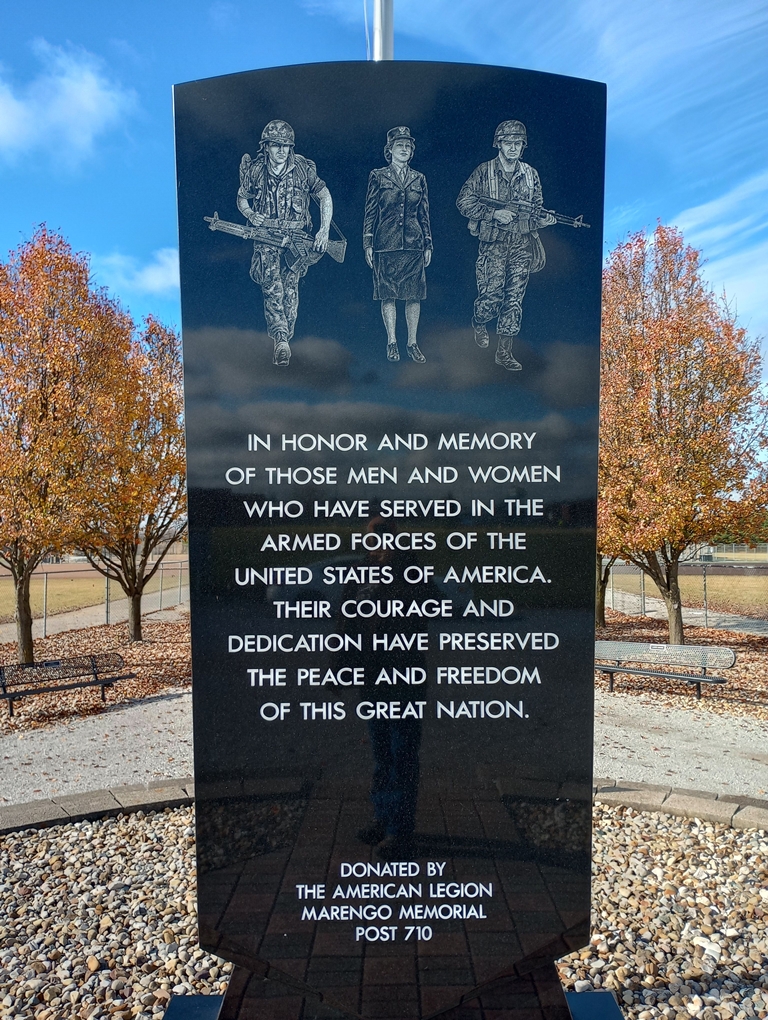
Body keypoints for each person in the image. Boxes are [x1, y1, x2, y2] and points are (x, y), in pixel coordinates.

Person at [456, 120, 556, 371]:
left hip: (522, 244)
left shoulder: (531, 174)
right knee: (491, 296)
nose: (513, 147)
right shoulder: (484, 172)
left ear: (523, 147)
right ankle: (479, 321)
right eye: (508, 143)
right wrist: (493, 214)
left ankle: (504, 352)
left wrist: (544, 220)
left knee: (513, 300)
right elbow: (463, 202)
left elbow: (536, 207)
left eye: (517, 143)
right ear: (498, 144)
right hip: (494, 244)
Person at [237, 120, 333, 367]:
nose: (281, 150)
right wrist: (250, 214)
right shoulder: (257, 170)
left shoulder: (302, 168)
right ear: (266, 146)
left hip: (295, 239)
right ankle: (280, 338)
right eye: (276, 145)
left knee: (290, 288)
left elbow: (324, 195)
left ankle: (285, 337)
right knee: (271, 284)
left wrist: (323, 231)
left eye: (286, 145)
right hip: (266, 236)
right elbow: (242, 198)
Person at [363, 127, 433, 364]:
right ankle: (392, 342)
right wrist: (368, 242)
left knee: (414, 296)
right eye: (400, 145)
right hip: (386, 243)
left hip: (414, 243)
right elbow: (371, 211)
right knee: (388, 295)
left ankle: (412, 343)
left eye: (408, 146)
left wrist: (428, 244)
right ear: (389, 150)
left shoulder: (419, 179)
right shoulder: (378, 176)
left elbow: (424, 214)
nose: (405, 149)